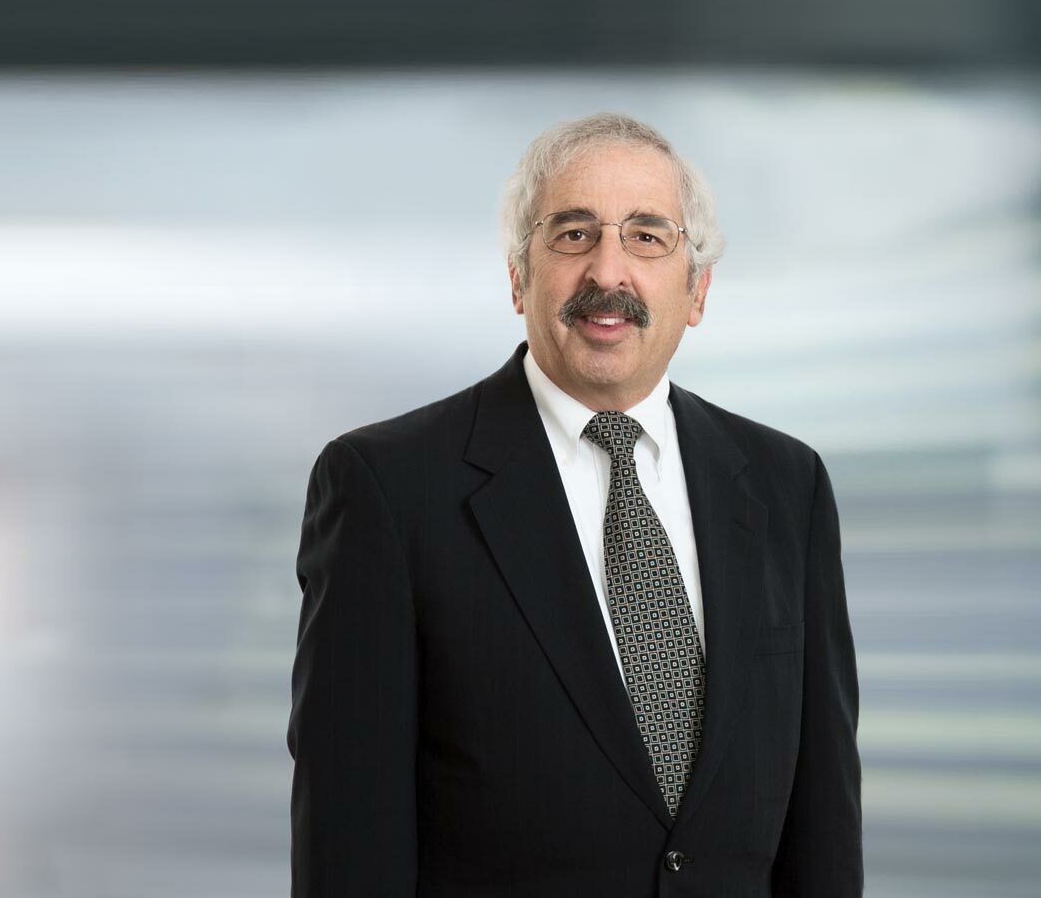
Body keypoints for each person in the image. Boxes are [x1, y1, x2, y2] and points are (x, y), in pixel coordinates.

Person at [289, 113, 861, 896]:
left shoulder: (786, 485)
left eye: (647, 236)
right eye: (573, 234)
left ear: (698, 289)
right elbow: (349, 847)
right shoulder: (386, 488)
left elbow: (823, 830)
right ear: (517, 277)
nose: (608, 271)